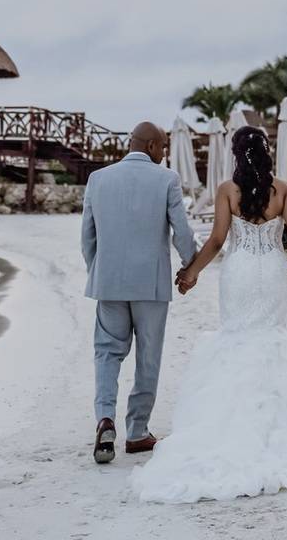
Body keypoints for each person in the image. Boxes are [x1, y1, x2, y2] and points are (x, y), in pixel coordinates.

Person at [130, 126, 287, 503]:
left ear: (237, 155)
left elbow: (218, 240)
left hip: (238, 271)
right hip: (272, 269)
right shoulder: (285, 189)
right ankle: (283, 428)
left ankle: (231, 427)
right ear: (267, 152)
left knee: (237, 337)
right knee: (272, 337)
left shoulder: (227, 190)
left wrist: (191, 272)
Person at [81, 121, 196, 464]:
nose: (164, 154)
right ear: (150, 146)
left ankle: (105, 418)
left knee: (107, 353)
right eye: (163, 148)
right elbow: (182, 232)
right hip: (152, 285)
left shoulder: (98, 179)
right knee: (148, 357)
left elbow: (87, 236)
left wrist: (98, 272)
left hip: (109, 282)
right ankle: (136, 432)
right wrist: (190, 266)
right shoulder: (166, 180)